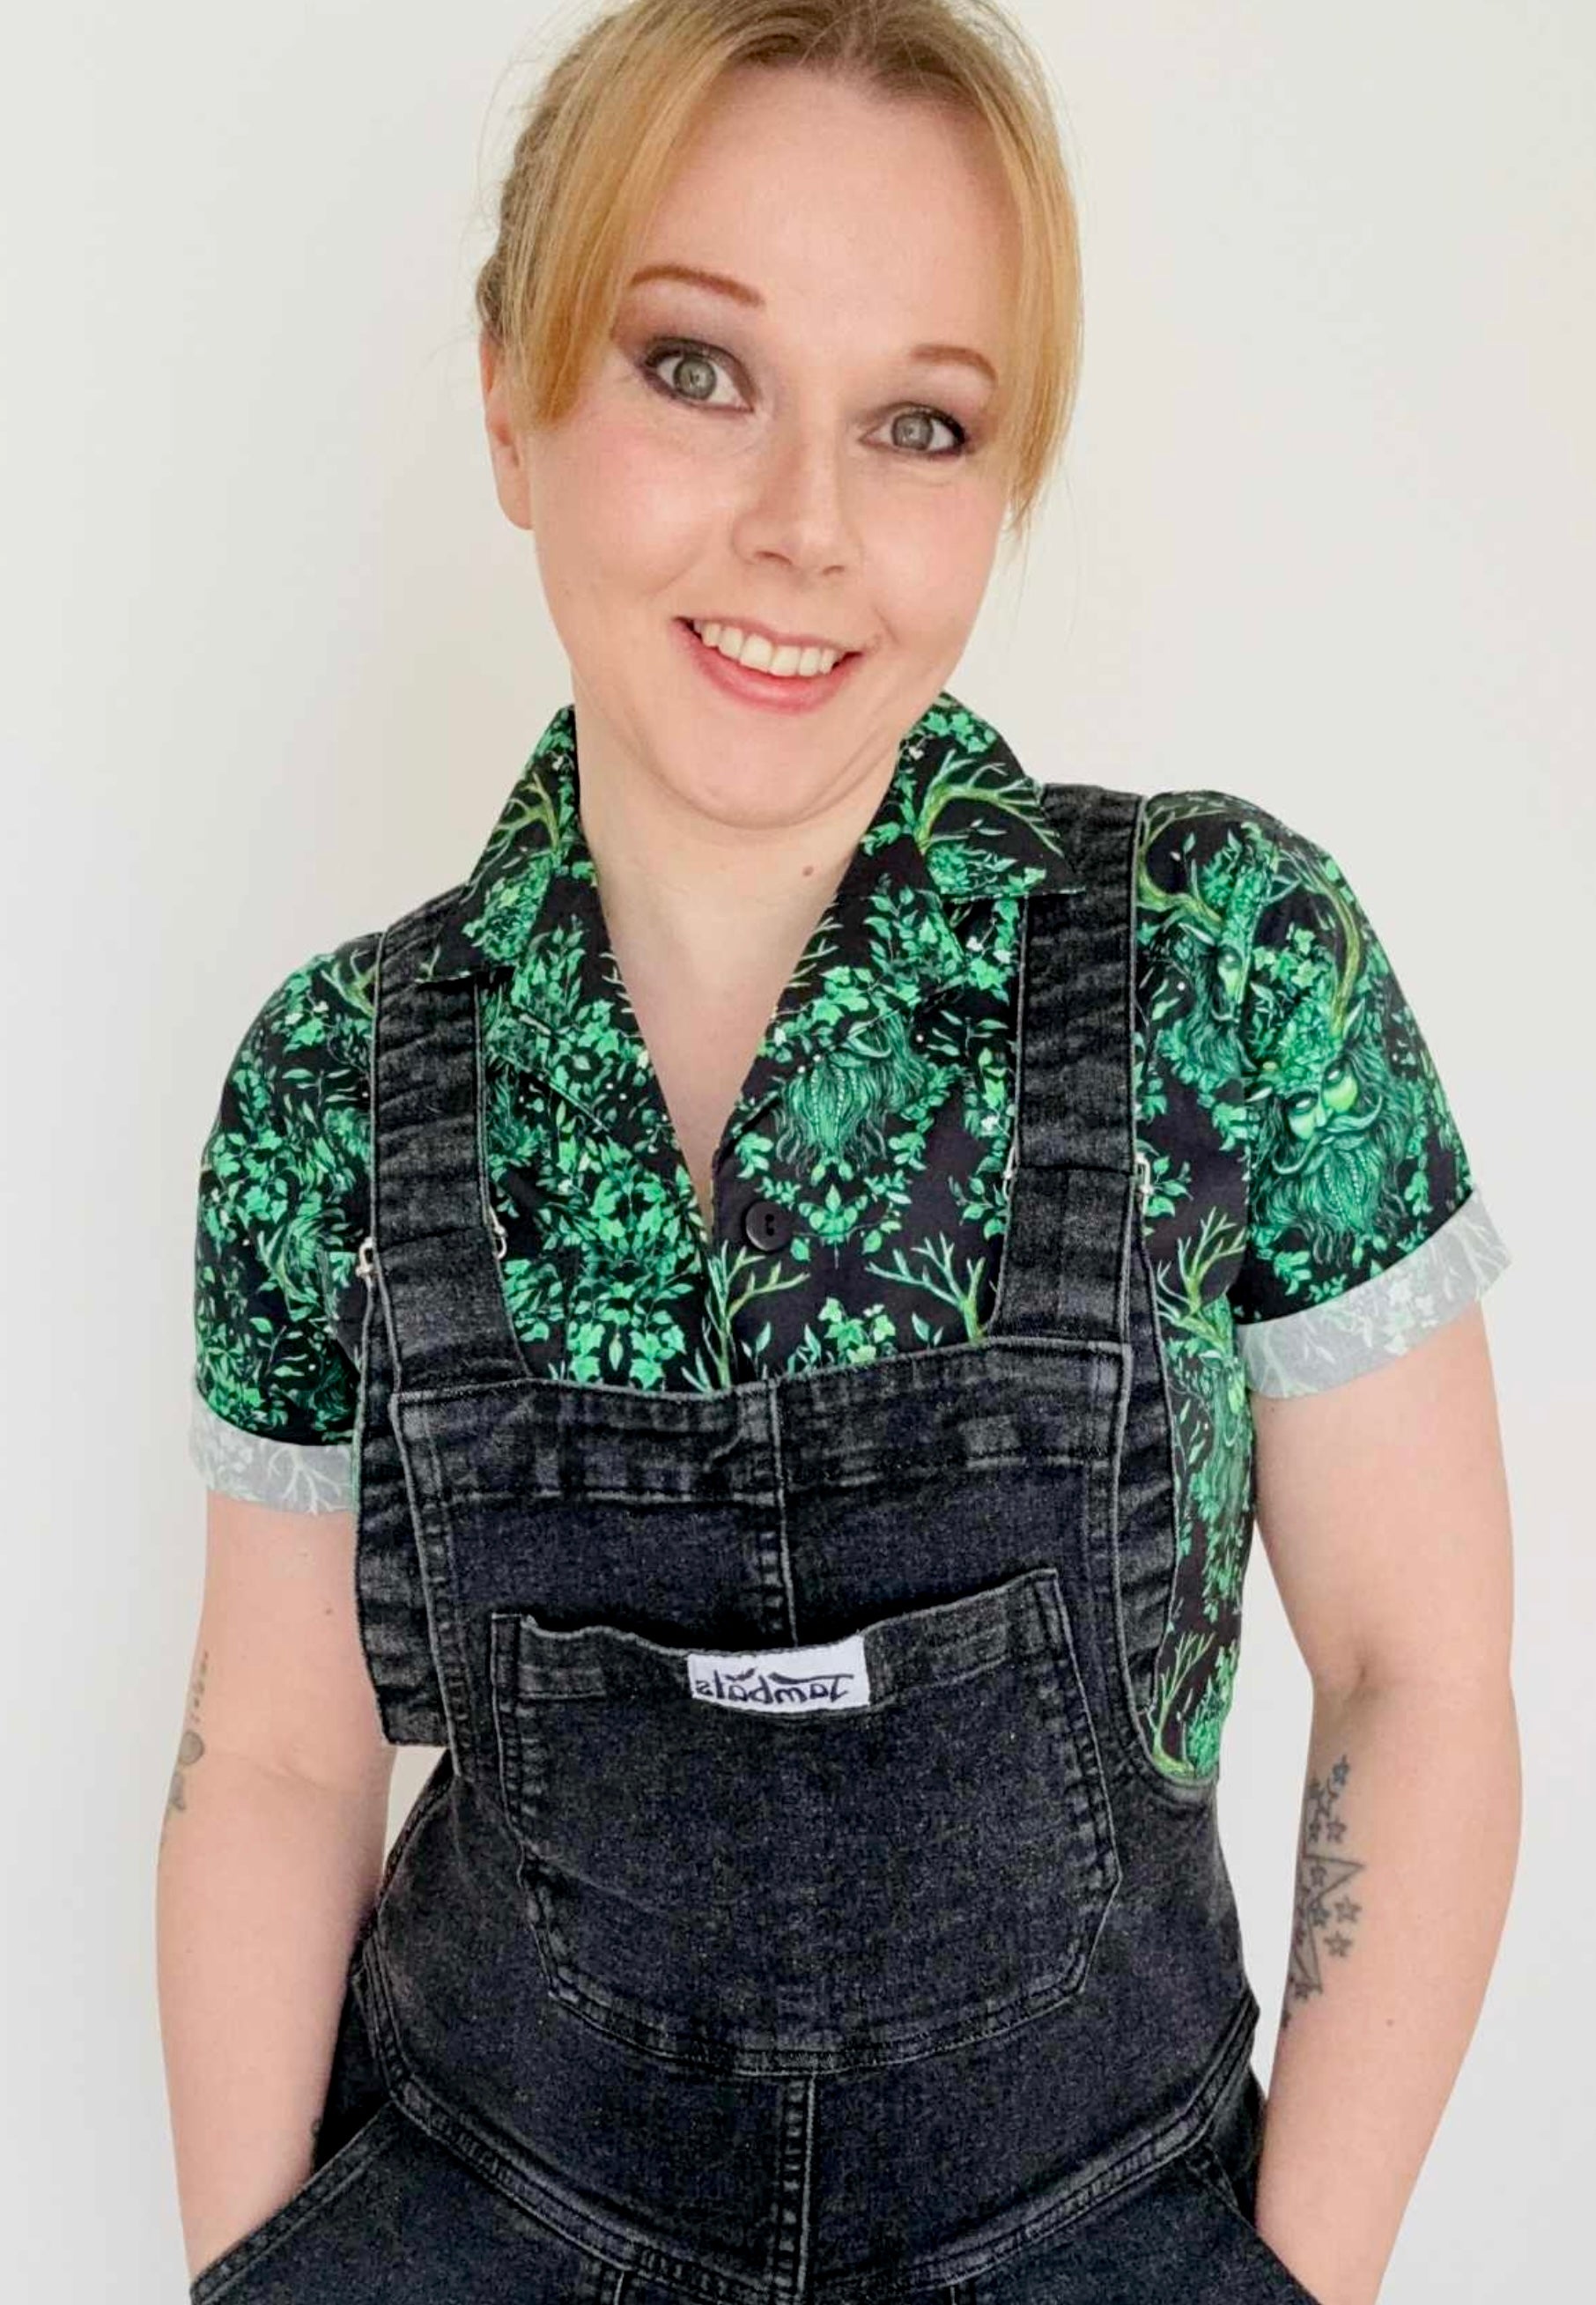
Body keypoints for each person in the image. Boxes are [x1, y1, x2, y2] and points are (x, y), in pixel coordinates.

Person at [157, 4, 1519, 2300]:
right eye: (697, 369)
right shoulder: (335, 1082)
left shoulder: (1228, 963)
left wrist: (1290, 2283)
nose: (805, 527)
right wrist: (256, 2280)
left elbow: (1418, 1671)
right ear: (509, 394)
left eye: (919, 422)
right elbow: (277, 1758)